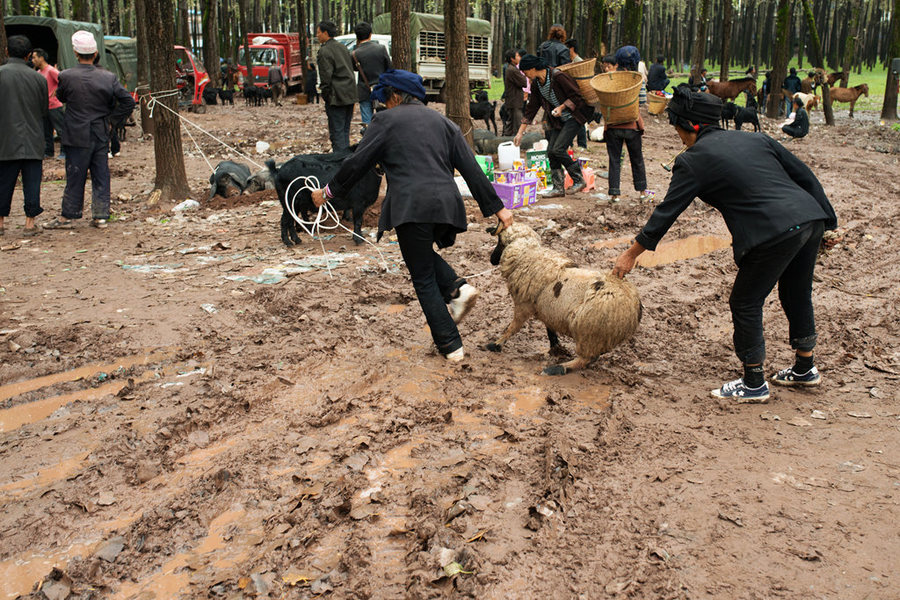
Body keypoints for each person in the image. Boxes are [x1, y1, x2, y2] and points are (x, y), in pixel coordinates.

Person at [613, 84, 837, 403]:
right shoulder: (756, 138)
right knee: (796, 292)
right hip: (809, 220)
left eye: (677, 127)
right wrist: (828, 222)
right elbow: (806, 176)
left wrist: (631, 254)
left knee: (745, 302)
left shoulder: (692, 160)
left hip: (772, 232)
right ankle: (805, 367)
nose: (678, 136)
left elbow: (666, 212)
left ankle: (753, 382)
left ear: (691, 125)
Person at [310, 70, 514, 363]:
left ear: (394, 95)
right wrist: (498, 208)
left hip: (411, 205)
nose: (384, 105)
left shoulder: (384, 121)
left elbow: (356, 163)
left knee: (422, 276)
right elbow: (471, 168)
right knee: (421, 257)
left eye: (385, 99)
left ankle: (450, 345)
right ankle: (458, 288)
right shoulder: (444, 123)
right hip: (446, 204)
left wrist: (327, 193)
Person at [42, 31, 134, 231]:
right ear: (95, 53)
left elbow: (62, 97)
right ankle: (100, 215)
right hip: (100, 131)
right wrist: (113, 120)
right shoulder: (108, 77)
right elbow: (128, 100)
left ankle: (69, 216)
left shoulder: (66, 76)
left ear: (76, 53)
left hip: (76, 131)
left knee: (75, 174)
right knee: (101, 173)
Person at [514, 54, 591, 198]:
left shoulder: (558, 77)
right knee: (551, 151)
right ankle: (557, 188)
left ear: (532, 68)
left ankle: (579, 179)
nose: (525, 76)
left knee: (558, 149)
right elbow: (532, 108)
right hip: (558, 120)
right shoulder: (537, 84)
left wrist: (562, 107)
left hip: (574, 117)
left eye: (525, 72)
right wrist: (519, 133)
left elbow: (576, 96)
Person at [0, 35, 48, 236]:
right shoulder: (38, 78)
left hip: (5, 139)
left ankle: (0, 223)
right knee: (32, 181)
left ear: (7, 52)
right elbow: (44, 110)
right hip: (32, 137)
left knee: (3, 181)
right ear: (29, 55)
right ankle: (29, 223)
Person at [603, 46, 653, 204]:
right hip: (632, 126)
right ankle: (643, 192)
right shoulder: (637, 79)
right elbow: (643, 102)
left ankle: (614, 194)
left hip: (612, 126)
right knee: (637, 159)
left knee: (614, 160)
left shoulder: (610, 78)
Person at [316, 21, 358, 151]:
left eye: (318, 32)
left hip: (336, 96)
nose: (317, 36)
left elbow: (326, 77)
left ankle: (340, 162)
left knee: (337, 132)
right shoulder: (343, 47)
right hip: (350, 94)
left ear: (326, 33)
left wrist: (326, 94)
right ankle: (346, 158)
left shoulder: (325, 51)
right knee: (345, 129)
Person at [352, 22, 392, 132]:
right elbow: (389, 67)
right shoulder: (381, 49)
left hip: (364, 90)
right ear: (370, 34)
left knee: (367, 123)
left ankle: (369, 143)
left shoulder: (355, 54)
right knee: (384, 120)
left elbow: (355, 69)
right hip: (381, 89)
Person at [30, 48, 66, 160]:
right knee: (47, 131)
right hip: (44, 106)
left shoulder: (50, 70)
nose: (33, 60)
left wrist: (57, 91)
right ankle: (48, 151)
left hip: (55, 105)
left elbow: (63, 80)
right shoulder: (38, 73)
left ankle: (64, 152)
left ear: (41, 58)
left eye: (34, 57)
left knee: (61, 130)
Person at [501, 49, 527, 136]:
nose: (519, 58)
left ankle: (507, 139)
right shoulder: (513, 70)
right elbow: (524, 82)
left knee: (511, 124)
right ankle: (519, 143)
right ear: (512, 59)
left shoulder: (510, 68)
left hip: (512, 100)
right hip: (515, 100)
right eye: (517, 56)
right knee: (518, 124)